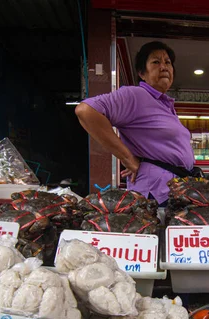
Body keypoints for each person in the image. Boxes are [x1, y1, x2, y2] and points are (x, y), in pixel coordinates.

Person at [75, 41, 194, 206]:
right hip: (157, 194)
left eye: (168, 62)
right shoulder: (136, 95)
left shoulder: (164, 104)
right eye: (156, 62)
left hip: (175, 191)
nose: (164, 66)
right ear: (141, 73)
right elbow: (86, 110)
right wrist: (127, 158)